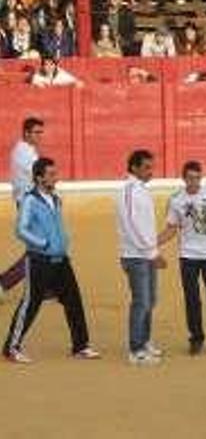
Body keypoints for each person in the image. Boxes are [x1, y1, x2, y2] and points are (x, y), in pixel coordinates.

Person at [2, 157, 101, 364]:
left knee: (74, 301)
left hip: (61, 259)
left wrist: (63, 241)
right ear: (39, 178)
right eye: (51, 174)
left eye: (55, 173)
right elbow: (20, 230)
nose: (55, 177)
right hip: (39, 260)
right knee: (30, 304)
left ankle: (80, 346)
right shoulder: (30, 200)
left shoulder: (55, 199)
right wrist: (43, 243)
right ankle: (11, 347)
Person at [158, 161, 206, 356]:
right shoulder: (176, 200)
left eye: (197, 178)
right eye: (190, 178)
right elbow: (171, 228)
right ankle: (196, 338)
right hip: (188, 256)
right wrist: (152, 243)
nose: (194, 182)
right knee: (192, 300)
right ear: (184, 178)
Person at [116, 149, 167, 366]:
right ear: (134, 168)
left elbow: (142, 226)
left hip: (144, 254)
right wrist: (152, 253)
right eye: (146, 167)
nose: (150, 171)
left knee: (150, 301)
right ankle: (135, 348)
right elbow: (131, 227)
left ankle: (144, 341)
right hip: (136, 256)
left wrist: (152, 251)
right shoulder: (128, 191)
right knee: (142, 302)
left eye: (151, 166)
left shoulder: (140, 190)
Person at [0, 118, 45, 298]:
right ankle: (3, 282)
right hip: (30, 206)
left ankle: (44, 287)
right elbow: (40, 177)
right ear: (26, 133)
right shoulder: (23, 153)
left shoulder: (26, 150)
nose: (40, 136)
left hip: (30, 204)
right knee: (38, 251)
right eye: (36, 132)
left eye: (41, 132)